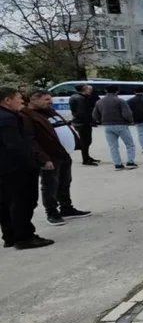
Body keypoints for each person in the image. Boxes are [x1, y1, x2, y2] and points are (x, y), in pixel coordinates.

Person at [20, 90, 92, 226]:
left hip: (63, 153)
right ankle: (52, 212)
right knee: (50, 185)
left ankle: (66, 208)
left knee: (65, 182)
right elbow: (30, 140)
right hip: (49, 157)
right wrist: (43, 158)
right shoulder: (27, 116)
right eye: (46, 99)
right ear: (33, 99)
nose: (50, 102)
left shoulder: (50, 111)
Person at [0, 87, 54, 250]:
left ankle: (10, 236)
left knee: (5, 202)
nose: (22, 101)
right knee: (23, 202)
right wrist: (31, 165)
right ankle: (24, 237)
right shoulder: (7, 119)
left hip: (4, 169)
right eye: (18, 98)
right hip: (16, 169)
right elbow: (16, 147)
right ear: (7, 100)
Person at [92, 85, 137, 171]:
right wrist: (130, 121)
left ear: (106, 91)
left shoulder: (99, 102)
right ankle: (130, 162)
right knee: (129, 144)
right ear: (117, 91)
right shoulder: (120, 101)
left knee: (113, 146)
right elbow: (127, 113)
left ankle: (118, 164)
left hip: (107, 126)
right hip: (121, 125)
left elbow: (95, 115)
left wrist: (100, 120)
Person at [69, 84, 100, 166]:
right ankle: (85, 159)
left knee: (86, 141)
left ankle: (87, 157)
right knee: (85, 141)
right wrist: (90, 120)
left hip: (78, 121)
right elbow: (82, 112)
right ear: (84, 89)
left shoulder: (74, 96)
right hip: (83, 123)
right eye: (87, 88)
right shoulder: (81, 98)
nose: (89, 90)